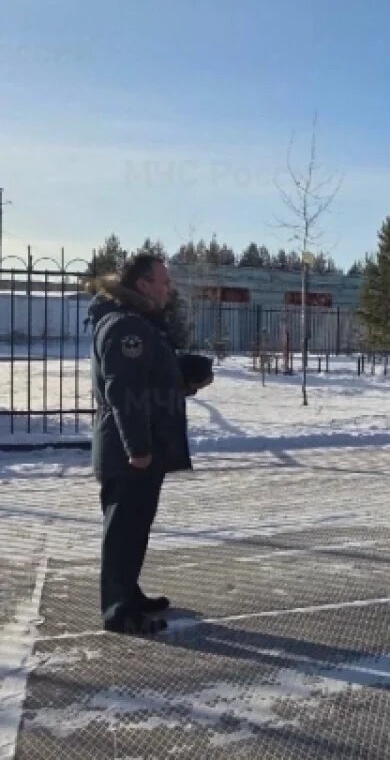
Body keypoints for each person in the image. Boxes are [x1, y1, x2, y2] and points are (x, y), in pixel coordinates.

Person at [89, 253, 210, 635]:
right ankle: (118, 610)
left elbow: (148, 381)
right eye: (164, 281)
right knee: (124, 528)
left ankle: (129, 592)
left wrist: (182, 377)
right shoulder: (126, 328)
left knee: (136, 526)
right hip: (130, 453)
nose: (169, 288)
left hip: (142, 450)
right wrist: (137, 449)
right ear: (142, 285)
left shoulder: (141, 325)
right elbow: (123, 391)